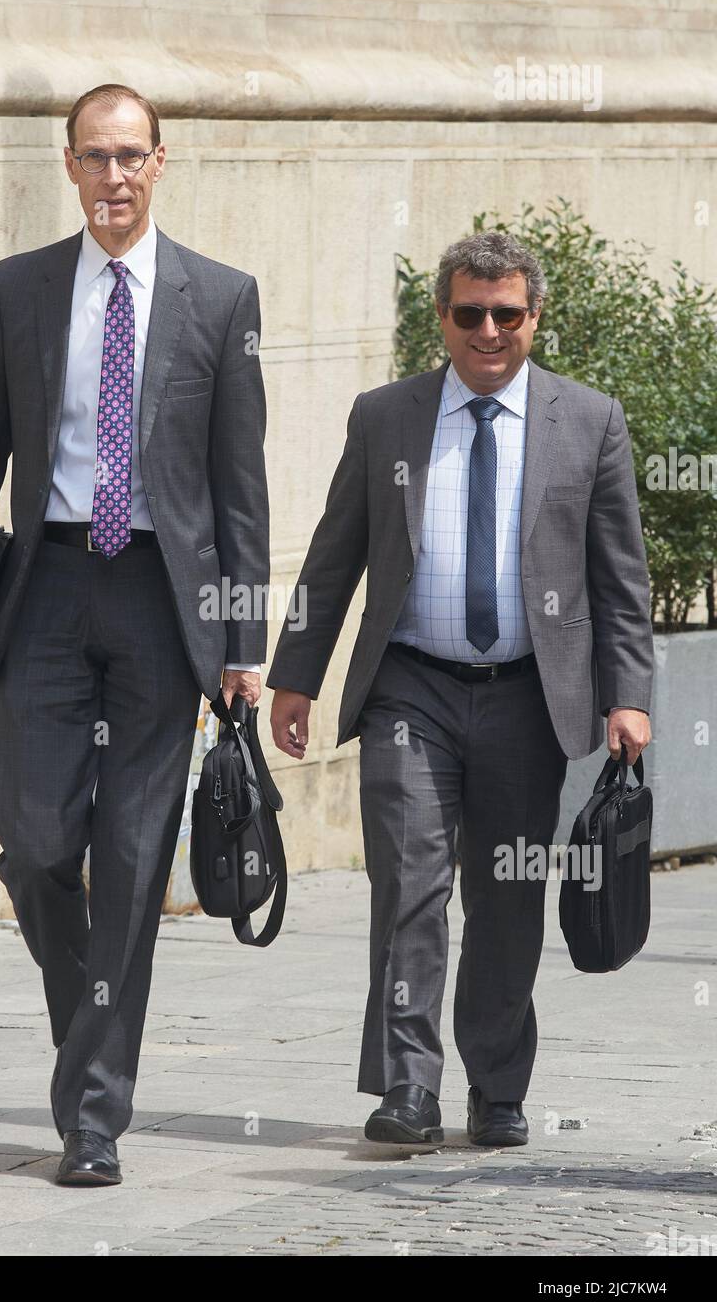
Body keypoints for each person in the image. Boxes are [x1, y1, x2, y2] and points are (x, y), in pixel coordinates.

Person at [0, 84, 268, 1186]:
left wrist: (242, 639)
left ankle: (94, 1116)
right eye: (92, 159)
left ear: (160, 163)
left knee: (128, 857)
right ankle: (92, 1042)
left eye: (130, 157)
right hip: (49, 588)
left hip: (164, 604)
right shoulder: (17, 290)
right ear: (68, 167)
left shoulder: (220, 298)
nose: (112, 178)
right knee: (32, 845)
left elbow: (240, 485)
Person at [267, 231, 653, 1149]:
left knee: (507, 895)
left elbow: (620, 578)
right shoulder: (385, 417)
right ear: (441, 318)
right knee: (407, 885)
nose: (489, 331)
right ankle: (407, 1088)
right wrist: (294, 674)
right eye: (469, 313)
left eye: (507, 313)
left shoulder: (587, 421)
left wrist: (627, 693)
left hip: (528, 695)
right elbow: (334, 554)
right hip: (411, 689)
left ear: (533, 316)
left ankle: (498, 1085)